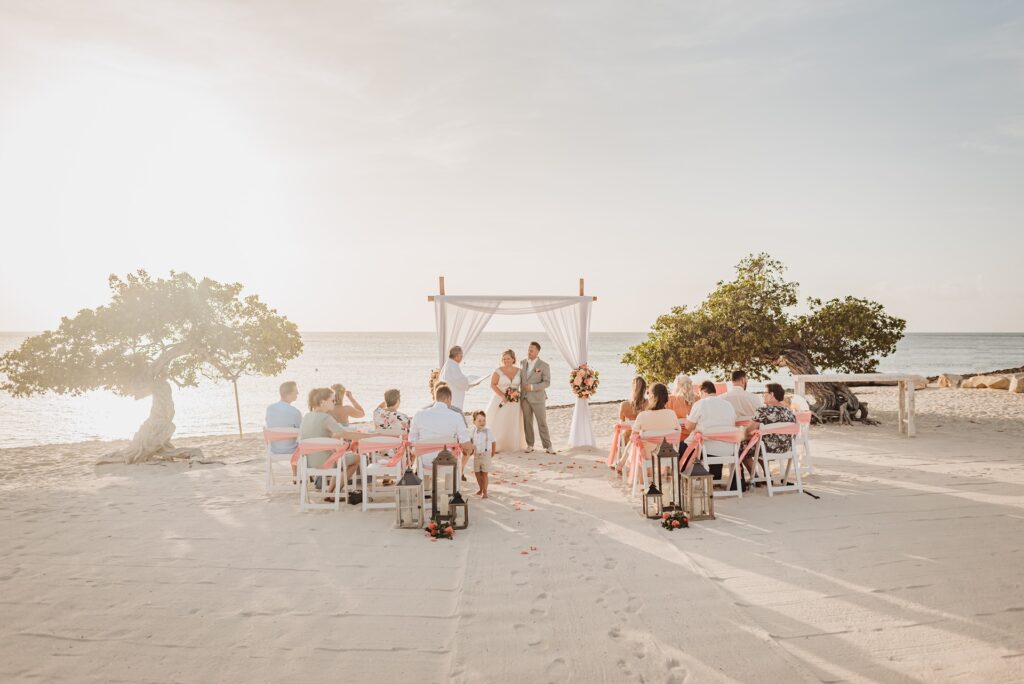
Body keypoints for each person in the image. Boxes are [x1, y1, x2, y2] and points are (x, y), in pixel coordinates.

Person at [298, 387, 360, 500]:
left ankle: (329, 491)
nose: (334, 402)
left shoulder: (306, 417)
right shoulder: (326, 418)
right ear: (322, 402)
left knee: (338, 457)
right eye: (332, 400)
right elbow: (344, 434)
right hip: (326, 463)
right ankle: (334, 492)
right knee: (355, 458)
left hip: (308, 462)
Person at [409, 384, 474, 482]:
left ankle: (425, 490)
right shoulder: (456, 416)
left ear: (436, 397)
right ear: (448, 398)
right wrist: (472, 448)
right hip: (447, 461)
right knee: (465, 450)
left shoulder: (419, 414)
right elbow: (466, 444)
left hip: (425, 462)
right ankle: (452, 489)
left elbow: (412, 441)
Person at [683, 381, 738, 482]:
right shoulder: (728, 405)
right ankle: (715, 477)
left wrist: (688, 417)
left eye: (699, 394)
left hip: (706, 449)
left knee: (682, 447)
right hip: (728, 449)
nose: (699, 397)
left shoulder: (701, 403)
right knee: (715, 443)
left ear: (703, 392)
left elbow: (689, 427)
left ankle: (685, 478)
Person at [742, 383, 797, 477]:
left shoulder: (763, 411)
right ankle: (767, 475)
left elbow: (748, 431)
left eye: (765, 393)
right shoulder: (789, 412)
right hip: (786, 449)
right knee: (759, 443)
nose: (763, 395)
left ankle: (754, 477)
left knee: (742, 446)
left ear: (772, 395)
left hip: (767, 449)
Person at [486, 349, 527, 453]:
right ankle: (497, 445)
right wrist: (503, 395)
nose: (506, 360)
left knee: (512, 422)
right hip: (500, 400)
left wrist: (518, 394)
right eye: (504, 359)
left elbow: (523, 386)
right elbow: (492, 385)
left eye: (508, 358)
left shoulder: (520, 371)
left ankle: (511, 445)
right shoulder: (498, 371)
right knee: (500, 421)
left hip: (515, 402)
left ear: (513, 359)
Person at [632, 383, 681, 462]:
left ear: (651, 397)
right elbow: (678, 432)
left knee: (635, 444)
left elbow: (633, 436)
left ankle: (624, 464)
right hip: (668, 455)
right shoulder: (672, 414)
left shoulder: (642, 415)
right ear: (666, 398)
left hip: (647, 456)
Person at [520, 341, 554, 454]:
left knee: (542, 422)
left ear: (537, 351)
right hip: (524, 398)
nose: (529, 352)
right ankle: (530, 445)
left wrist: (532, 387)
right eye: (528, 349)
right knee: (527, 422)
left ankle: (548, 446)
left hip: (538, 398)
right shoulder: (522, 363)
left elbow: (547, 383)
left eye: (531, 350)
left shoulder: (544, 365)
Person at [615, 376, 648, 473]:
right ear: (644, 389)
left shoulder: (624, 405)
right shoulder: (648, 404)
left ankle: (621, 465)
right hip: (644, 438)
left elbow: (621, 423)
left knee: (621, 438)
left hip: (628, 438)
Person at [439, 346, 482, 413]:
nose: (462, 357)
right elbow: (460, 382)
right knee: (454, 413)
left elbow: (458, 378)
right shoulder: (453, 366)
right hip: (453, 396)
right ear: (457, 355)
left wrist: (467, 378)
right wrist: (474, 382)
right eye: (461, 355)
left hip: (448, 394)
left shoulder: (449, 363)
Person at [265, 381, 301, 455]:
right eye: (295, 391)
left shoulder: (270, 408)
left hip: (273, 449)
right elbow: (301, 430)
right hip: (292, 449)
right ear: (288, 394)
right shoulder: (295, 412)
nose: (298, 393)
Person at [469, 411, 496, 498]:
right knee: (477, 473)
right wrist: (471, 451)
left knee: (484, 474)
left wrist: (493, 452)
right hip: (477, 455)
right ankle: (480, 489)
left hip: (486, 454)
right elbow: (471, 441)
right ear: (474, 422)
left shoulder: (488, 431)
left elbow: (493, 441)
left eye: (484, 420)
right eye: (479, 421)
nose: (482, 423)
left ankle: (485, 492)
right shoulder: (472, 431)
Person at [667, 373, 694, 439]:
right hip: (694, 438)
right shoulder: (697, 399)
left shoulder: (670, 399)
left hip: (676, 438)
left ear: (678, 385)